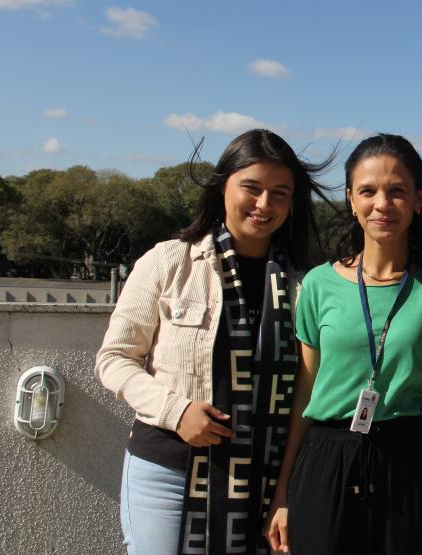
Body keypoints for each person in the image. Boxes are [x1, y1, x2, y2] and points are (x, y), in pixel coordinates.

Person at [96, 129, 331, 554]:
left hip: (264, 480)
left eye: (280, 193)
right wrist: (176, 410)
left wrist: (286, 490)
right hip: (168, 467)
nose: (264, 205)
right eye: (252, 188)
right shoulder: (170, 262)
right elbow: (114, 359)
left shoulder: (305, 283)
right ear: (223, 185)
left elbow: (306, 391)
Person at [264, 133, 422, 554]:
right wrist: (282, 492)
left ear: (420, 199)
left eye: (397, 191)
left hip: (407, 462)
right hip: (326, 461)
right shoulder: (318, 285)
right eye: (368, 191)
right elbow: (306, 389)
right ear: (351, 199)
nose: (382, 204)